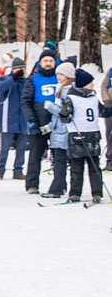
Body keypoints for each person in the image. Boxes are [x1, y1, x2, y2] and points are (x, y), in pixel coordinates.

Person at [60, 69, 110, 203]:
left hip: (93, 137)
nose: (93, 85)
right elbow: (64, 118)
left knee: (95, 167)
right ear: (84, 84)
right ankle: (75, 193)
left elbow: (103, 112)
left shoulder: (93, 98)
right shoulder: (71, 98)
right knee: (76, 168)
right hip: (76, 137)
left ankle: (97, 193)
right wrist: (65, 113)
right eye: (90, 83)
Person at [21, 49, 60, 194]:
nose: (48, 64)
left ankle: (59, 184)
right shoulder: (33, 79)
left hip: (57, 124)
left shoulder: (60, 78)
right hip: (38, 122)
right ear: (40, 63)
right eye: (45, 61)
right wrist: (31, 120)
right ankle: (32, 184)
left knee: (59, 156)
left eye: (51, 61)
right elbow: (25, 101)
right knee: (35, 155)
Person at [38, 63, 77, 198]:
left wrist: (50, 106)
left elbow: (64, 113)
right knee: (59, 162)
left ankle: (56, 189)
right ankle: (62, 186)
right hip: (58, 131)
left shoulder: (67, 91)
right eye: (58, 74)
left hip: (63, 133)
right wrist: (50, 126)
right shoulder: (62, 89)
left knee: (60, 162)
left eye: (61, 74)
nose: (58, 77)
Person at [0, 58, 28, 180]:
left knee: (21, 149)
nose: (21, 71)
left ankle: (18, 171)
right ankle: (0, 170)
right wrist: (13, 78)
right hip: (7, 121)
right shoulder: (5, 79)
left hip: (23, 121)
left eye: (23, 68)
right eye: (19, 68)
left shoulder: (26, 82)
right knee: (4, 149)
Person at [104, 67, 112, 171]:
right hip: (110, 106)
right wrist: (106, 100)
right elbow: (104, 86)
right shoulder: (110, 71)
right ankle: (110, 158)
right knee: (109, 133)